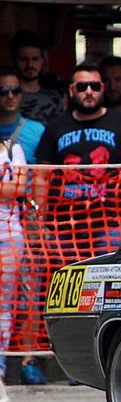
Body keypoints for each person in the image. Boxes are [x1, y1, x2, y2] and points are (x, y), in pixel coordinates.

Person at [35, 62, 121, 261]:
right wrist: (40, 222)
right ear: (71, 90)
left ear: (102, 88)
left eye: (94, 86)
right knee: (68, 286)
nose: (88, 92)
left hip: (111, 224)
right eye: (81, 87)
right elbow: (42, 177)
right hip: (65, 225)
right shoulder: (55, 127)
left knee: (108, 285)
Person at [0, 68, 36, 385]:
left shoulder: (15, 150)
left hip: (9, 238)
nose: (9, 97)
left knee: (5, 307)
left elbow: (19, 189)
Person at [11, 30, 61, 124]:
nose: (30, 65)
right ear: (14, 61)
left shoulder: (55, 99)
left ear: (42, 61)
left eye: (35, 59)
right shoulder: (7, 97)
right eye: (23, 59)